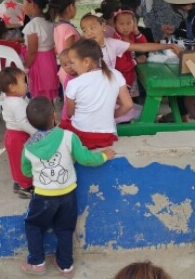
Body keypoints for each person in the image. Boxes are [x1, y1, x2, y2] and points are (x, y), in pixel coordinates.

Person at [20, 96, 115, 277]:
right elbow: (85, 158)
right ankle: (66, 265)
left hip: (42, 196)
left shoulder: (28, 147)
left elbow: (26, 171)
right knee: (65, 229)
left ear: (30, 122)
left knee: (33, 225)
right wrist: (103, 156)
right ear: (54, 115)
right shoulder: (69, 137)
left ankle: (37, 262)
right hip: (68, 194)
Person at [60, 38, 133, 149]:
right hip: (106, 136)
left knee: (61, 127)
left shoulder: (74, 83)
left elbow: (69, 113)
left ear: (86, 62)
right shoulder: (116, 74)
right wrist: (111, 115)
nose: (72, 67)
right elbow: (128, 105)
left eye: (73, 62)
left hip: (81, 135)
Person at [79, 13, 181, 71]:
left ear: (103, 27)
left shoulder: (113, 44)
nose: (89, 33)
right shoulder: (82, 50)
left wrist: (169, 46)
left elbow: (142, 47)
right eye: (84, 30)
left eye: (92, 28)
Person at [0, 67, 37, 199]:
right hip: (19, 136)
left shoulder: (8, 99)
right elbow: (22, 123)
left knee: (16, 161)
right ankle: (25, 187)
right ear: (12, 87)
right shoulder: (18, 102)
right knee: (24, 161)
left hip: (11, 135)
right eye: (23, 81)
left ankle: (18, 182)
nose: (26, 84)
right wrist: (36, 132)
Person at [22, 0, 58, 100]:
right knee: (48, 98)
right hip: (50, 60)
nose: (22, 5)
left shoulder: (32, 26)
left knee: (39, 98)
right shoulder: (50, 21)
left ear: (32, 4)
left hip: (38, 63)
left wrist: (26, 66)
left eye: (24, 2)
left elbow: (32, 51)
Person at [111, 9, 147, 98]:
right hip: (123, 79)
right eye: (121, 24)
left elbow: (144, 46)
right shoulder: (117, 41)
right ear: (115, 24)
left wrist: (136, 32)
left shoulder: (131, 35)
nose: (125, 27)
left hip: (130, 75)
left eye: (129, 23)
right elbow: (121, 66)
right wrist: (136, 60)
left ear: (134, 23)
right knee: (127, 101)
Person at [49, 0, 81, 84]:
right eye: (75, 5)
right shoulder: (68, 29)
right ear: (70, 7)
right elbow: (68, 53)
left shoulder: (57, 26)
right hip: (72, 72)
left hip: (64, 70)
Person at [57, 48, 78, 123]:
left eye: (71, 62)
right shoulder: (68, 81)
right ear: (62, 67)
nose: (69, 67)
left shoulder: (83, 75)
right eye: (65, 65)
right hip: (71, 111)